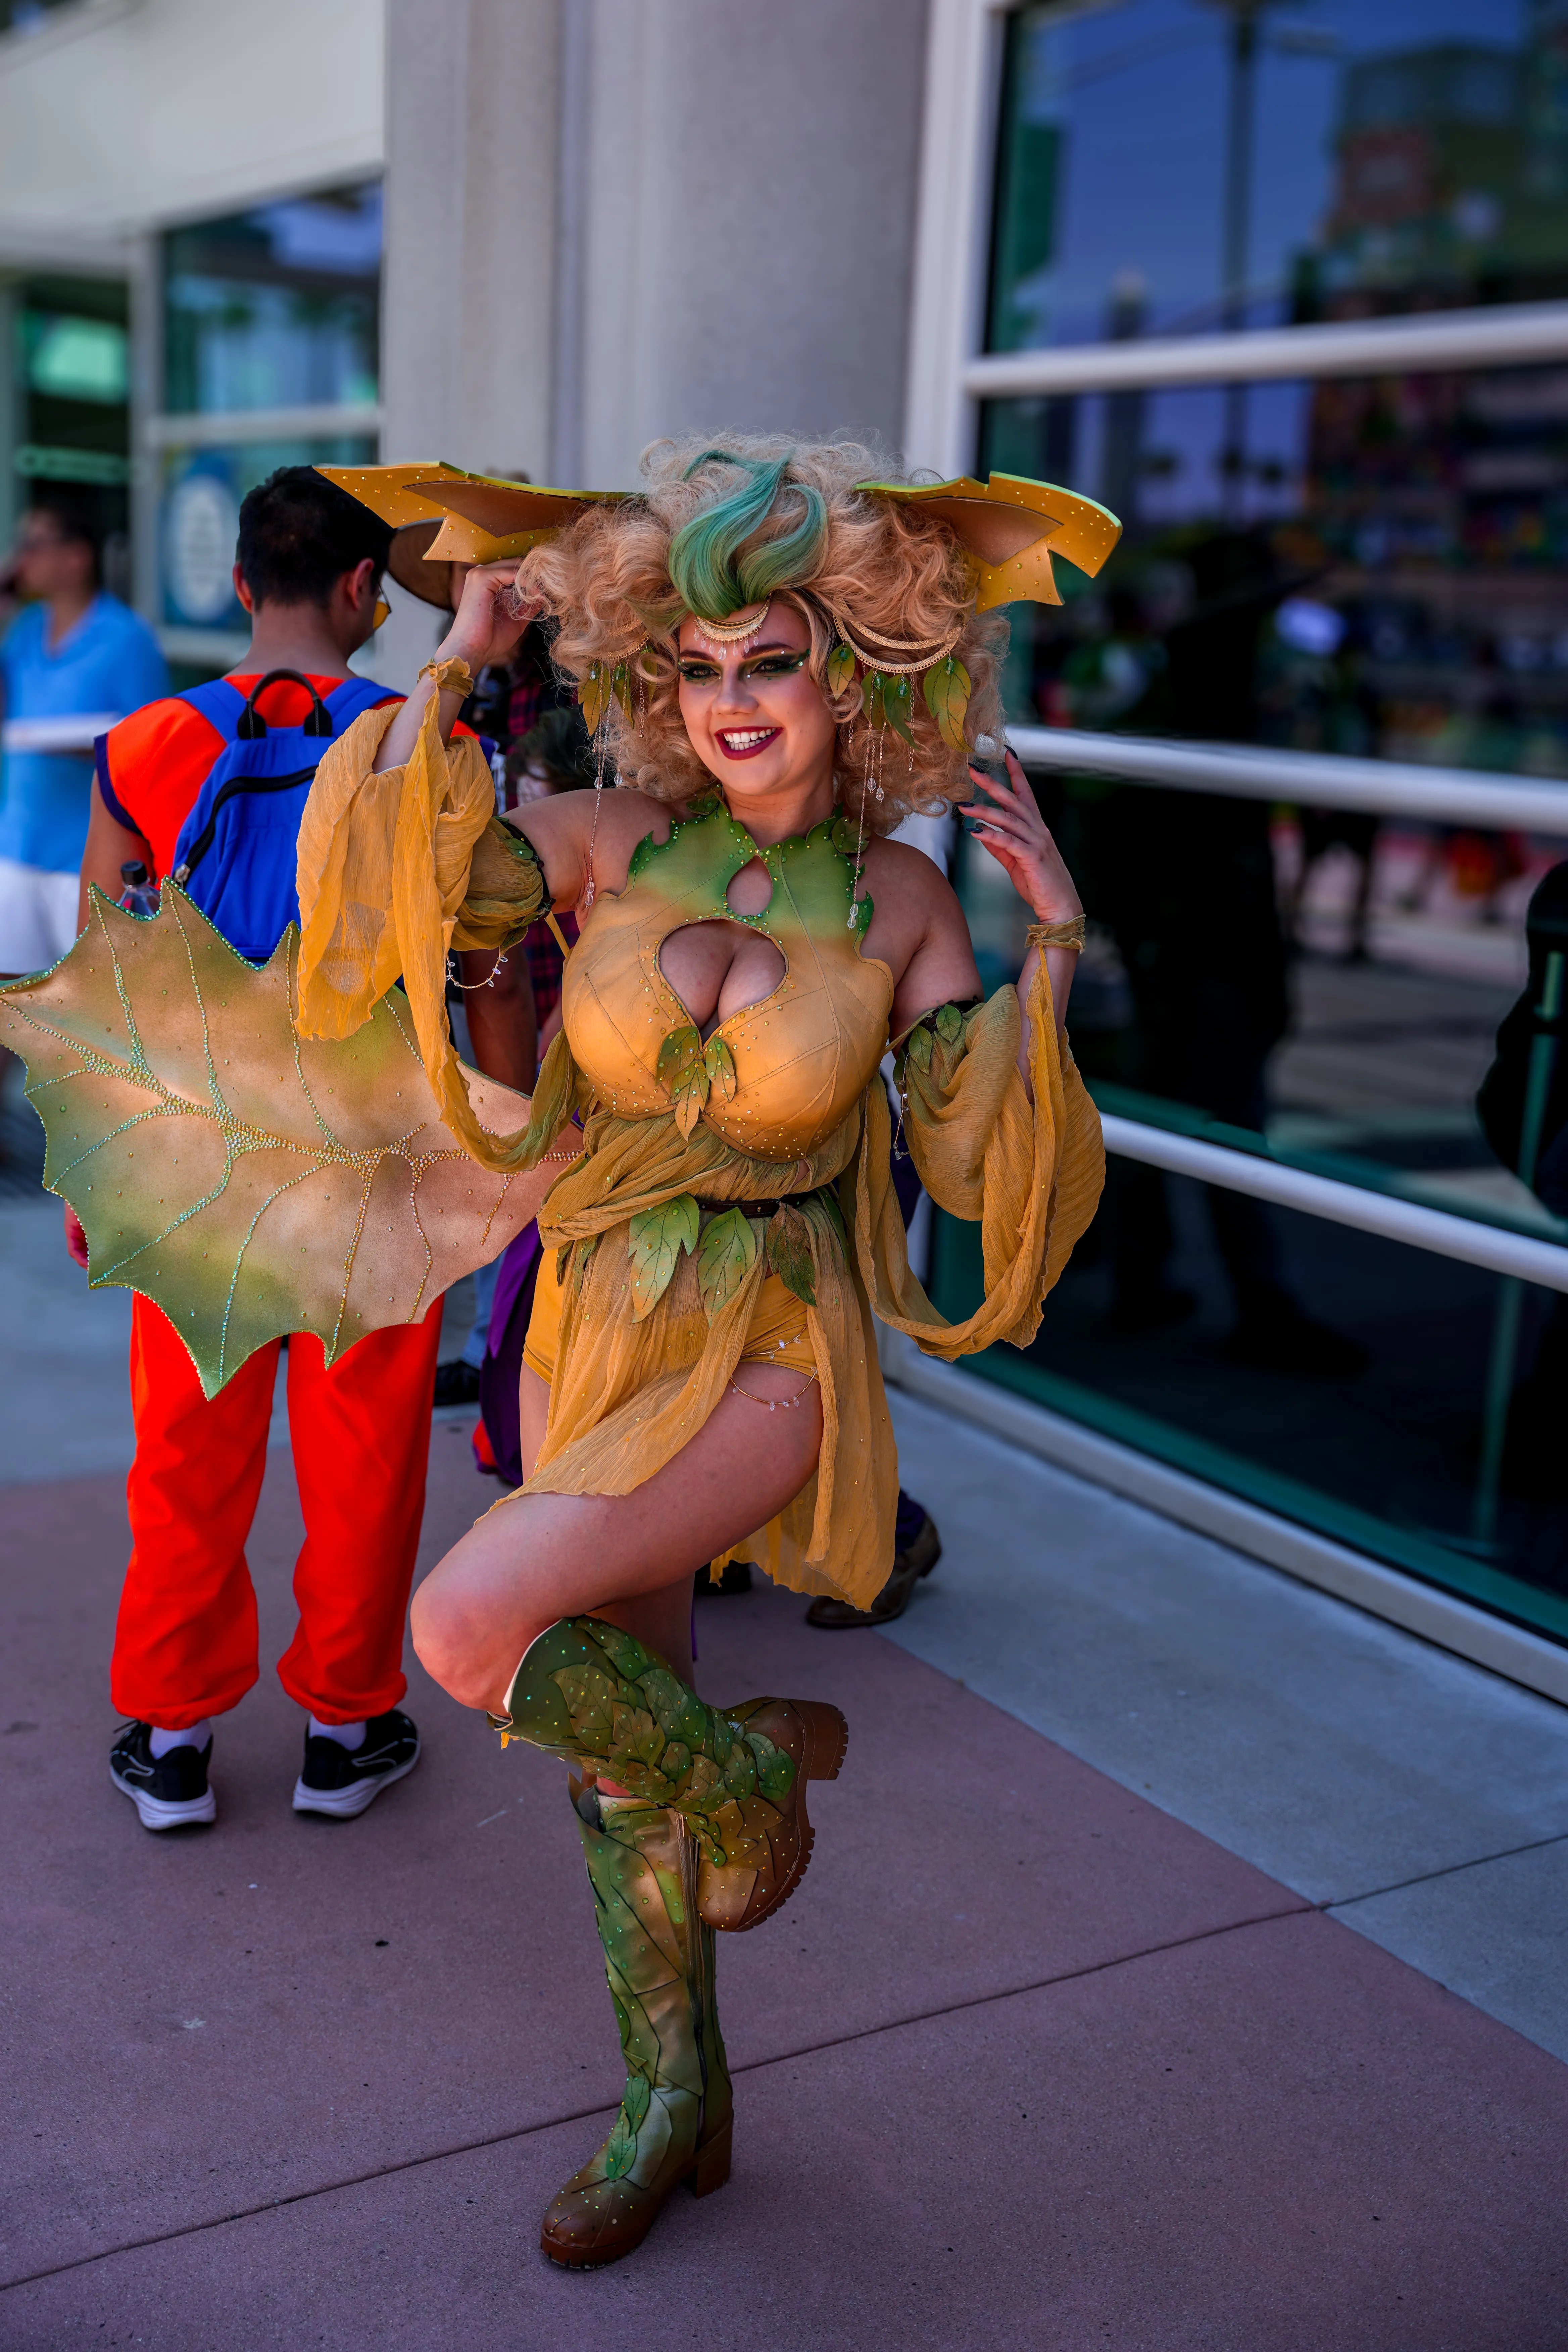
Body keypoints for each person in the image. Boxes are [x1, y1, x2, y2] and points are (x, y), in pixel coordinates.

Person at [21, 437, 1111, 2262]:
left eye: (770, 661)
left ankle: (755, 1781)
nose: (733, 703)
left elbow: (971, 1151)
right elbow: (387, 888)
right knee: (620, 1750)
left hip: (768, 1342)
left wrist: (1056, 943)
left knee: (466, 1629)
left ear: (850, 671)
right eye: (696, 668)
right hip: (590, 1333)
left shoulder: (909, 907)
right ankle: (673, 2094)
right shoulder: (604, 842)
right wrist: (455, 668)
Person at [77, 467, 441, 1833]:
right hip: (369, 1160)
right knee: (364, 1453)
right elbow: (480, 963)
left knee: (185, 1453)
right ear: (365, 592)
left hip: (197, 1168)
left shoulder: (143, 743)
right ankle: (344, 1733)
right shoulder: (419, 742)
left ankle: (172, 1744)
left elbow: (109, 975)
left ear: (241, 585)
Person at [0, 493, 165, 977]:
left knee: (86, 1021)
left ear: (77, 556)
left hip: (86, 860)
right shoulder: (26, 629)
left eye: (34, 543)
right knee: (11, 1016)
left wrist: (83, 746)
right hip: (18, 847)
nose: (21, 557)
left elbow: (150, 746)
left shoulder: (126, 637)